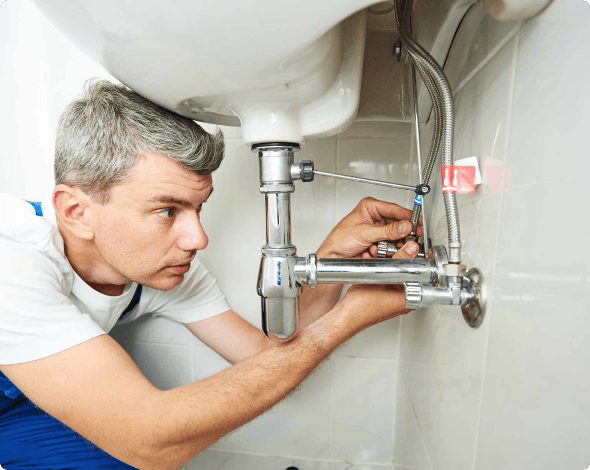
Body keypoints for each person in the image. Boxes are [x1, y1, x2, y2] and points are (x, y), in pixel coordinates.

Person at [0, 79, 422, 470]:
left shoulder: (164, 265)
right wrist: (349, 317)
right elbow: (152, 440)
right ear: (76, 213)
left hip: (24, 404)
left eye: (197, 208)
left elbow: (266, 359)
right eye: (167, 210)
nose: (198, 238)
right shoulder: (12, 264)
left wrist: (331, 264)